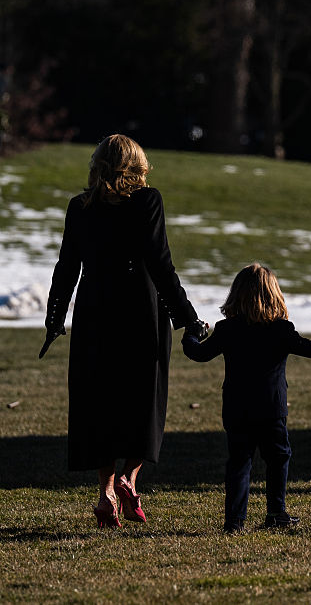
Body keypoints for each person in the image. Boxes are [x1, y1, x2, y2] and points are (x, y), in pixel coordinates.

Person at [41, 134, 207, 528]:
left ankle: (105, 492)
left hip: (95, 314)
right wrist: (188, 317)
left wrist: (55, 316)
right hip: (140, 313)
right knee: (142, 399)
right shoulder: (148, 201)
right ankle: (131, 481)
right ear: (137, 165)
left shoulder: (80, 208)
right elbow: (160, 263)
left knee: (98, 402)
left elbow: (67, 267)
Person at [181, 263, 311, 534]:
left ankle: (234, 521)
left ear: (236, 295)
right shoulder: (281, 330)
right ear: (275, 295)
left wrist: (191, 335)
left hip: (237, 408)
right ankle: (275, 512)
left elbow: (198, 353)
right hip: (272, 408)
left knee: (239, 462)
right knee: (278, 457)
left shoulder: (227, 329)